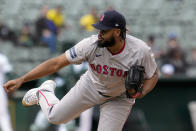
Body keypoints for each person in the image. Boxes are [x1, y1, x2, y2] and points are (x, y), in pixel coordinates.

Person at [3, 10, 158, 131]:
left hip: (119, 97)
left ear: (117, 32)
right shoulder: (90, 45)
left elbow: (153, 75)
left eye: (104, 31)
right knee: (55, 117)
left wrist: (142, 92)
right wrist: (22, 79)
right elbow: (56, 63)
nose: (99, 34)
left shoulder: (140, 50)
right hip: (91, 86)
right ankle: (43, 92)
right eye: (99, 30)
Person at [0, 53, 13, 131]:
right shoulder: (2, 58)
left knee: (3, 116)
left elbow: (9, 74)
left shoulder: (2, 58)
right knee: (3, 116)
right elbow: (9, 74)